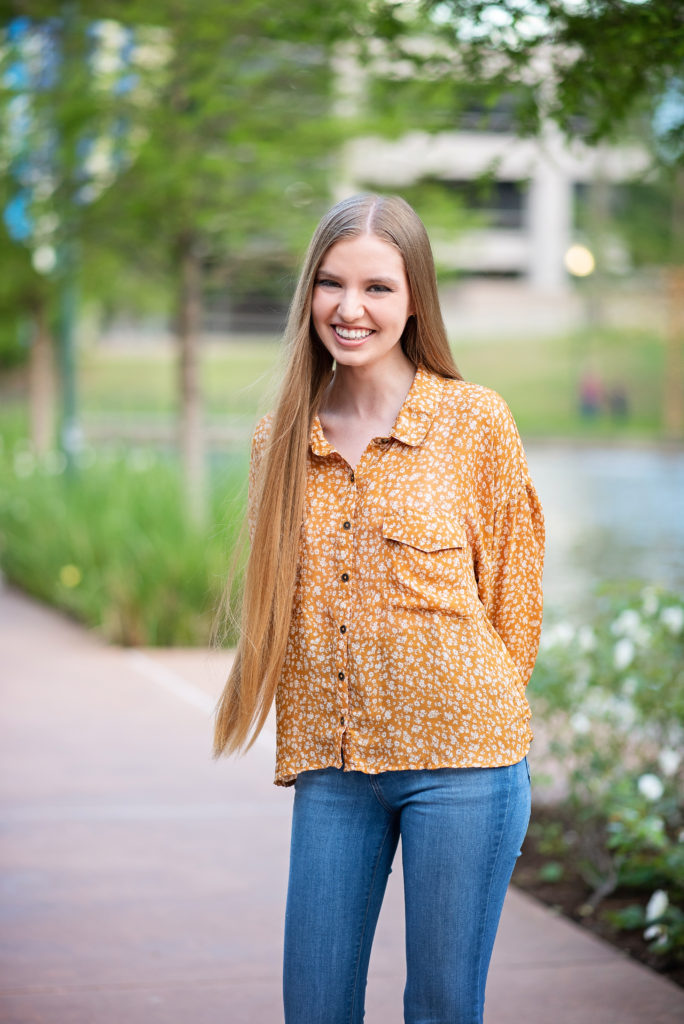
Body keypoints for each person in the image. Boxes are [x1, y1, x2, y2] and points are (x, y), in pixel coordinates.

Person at [214, 193, 545, 1024]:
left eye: (377, 288)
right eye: (331, 284)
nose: (350, 309)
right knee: (315, 1007)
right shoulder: (280, 439)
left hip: (465, 766)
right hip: (335, 768)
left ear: (414, 299)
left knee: (440, 1006)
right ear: (309, 294)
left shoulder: (475, 423)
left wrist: (477, 709)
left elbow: (516, 595)